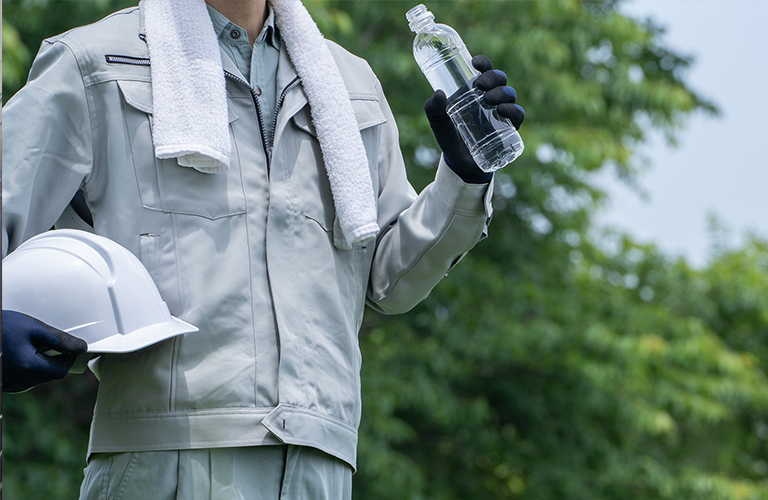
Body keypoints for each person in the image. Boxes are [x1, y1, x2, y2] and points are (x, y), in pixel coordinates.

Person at [1, 0, 524, 498]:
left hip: (322, 458)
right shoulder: (94, 62)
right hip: (167, 451)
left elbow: (390, 281)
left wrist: (464, 176)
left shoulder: (351, 85)